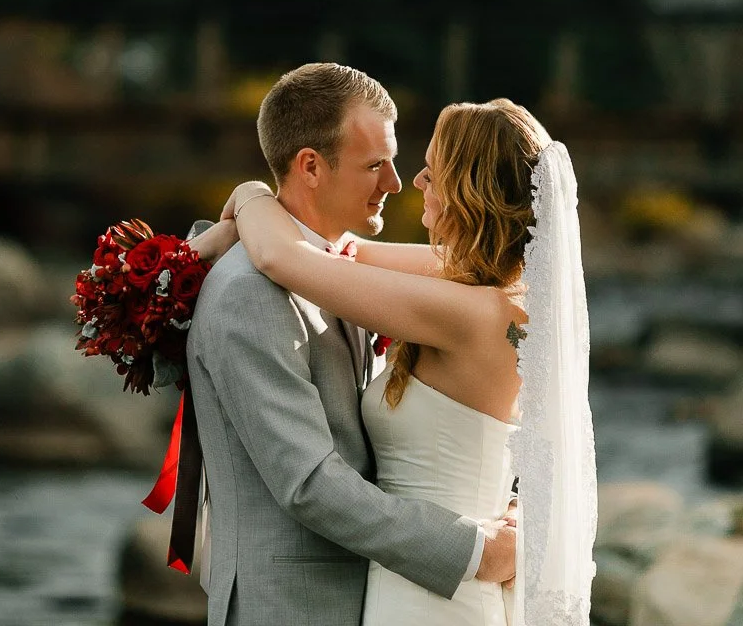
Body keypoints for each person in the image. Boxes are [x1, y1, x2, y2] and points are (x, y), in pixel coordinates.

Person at [214, 93, 596, 625]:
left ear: (468, 190)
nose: (414, 182)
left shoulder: (472, 312)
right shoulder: (496, 288)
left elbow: (284, 258)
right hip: (424, 576)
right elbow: (344, 253)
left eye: (432, 171)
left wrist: (252, 194)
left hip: (440, 592)